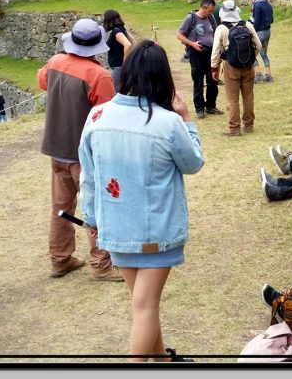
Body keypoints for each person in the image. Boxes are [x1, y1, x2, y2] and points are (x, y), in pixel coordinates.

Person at [79, 40, 204, 362]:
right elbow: (193, 164)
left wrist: (91, 219)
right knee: (145, 306)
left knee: (142, 303)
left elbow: (89, 178)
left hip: (116, 226)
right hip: (155, 230)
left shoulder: (97, 116)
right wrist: (187, 118)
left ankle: (162, 360)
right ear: (163, 77)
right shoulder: (167, 121)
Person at [38, 18, 122, 281]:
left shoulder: (54, 63)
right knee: (96, 207)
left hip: (56, 148)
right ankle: (102, 264)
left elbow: (42, 82)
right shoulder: (98, 76)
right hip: (84, 154)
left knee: (61, 207)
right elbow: (109, 116)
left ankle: (60, 259)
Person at [210, 0, 262, 136]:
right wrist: (251, 58)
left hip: (231, 66)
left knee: (232, 99)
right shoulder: (248, 25)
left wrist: (214, 68)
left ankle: (234, 128)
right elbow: (259, 46)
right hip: (248, 66)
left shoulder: (221, 29)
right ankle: (249, 125)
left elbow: (215, 51)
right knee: (248, 97)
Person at [176, 0, 222, 119]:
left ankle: (211, 106)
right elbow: (179, 34)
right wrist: (192, 44)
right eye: (210, 10)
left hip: (210, 53)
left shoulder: (211, 18)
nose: (211, 13)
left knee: (212, 80)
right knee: (198, 81)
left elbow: (215, 32)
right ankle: (199, 108)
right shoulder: (190, 18)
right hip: (196, 54)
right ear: (204, 7)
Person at [103, 9, 133, 92]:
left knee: (115, 92)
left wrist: (125, 63)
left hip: (119, 67)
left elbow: (128, 44)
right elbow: (132, 40)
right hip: (121, 67)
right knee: (123, 91)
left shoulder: (116, 32)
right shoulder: (122, 29)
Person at [250, 0, 274, 83]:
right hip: (268, 31)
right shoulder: (268, 4)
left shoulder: (257, 4)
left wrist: (252, 31)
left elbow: (256, 21)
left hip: (259, 32)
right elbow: (272, 19)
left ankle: (258, 74)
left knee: (252, 53)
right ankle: (269, 75)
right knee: (264, 53)